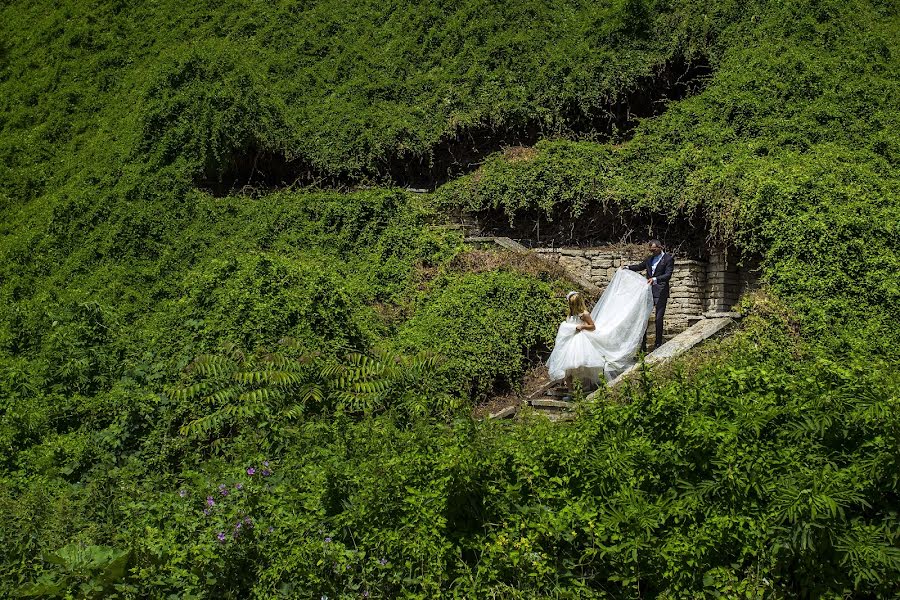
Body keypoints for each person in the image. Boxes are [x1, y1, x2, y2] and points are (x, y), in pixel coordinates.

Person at [546, 291, 607, 391]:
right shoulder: (570, 315)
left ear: (578, 303)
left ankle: (585, 388)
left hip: (580, 342)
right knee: (567, 367)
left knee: (582, 365)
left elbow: (593, 326)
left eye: (573, 304)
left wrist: (582, 326)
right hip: (569, 342)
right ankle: (571, 391)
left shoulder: (584, 314)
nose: (572, 306)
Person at [624, 240, 674, 351]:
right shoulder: (649, 259)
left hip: (660, 292)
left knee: (658, 318)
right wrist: (627, 267)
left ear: (660, 247)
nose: (652, 252)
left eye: (654, 249)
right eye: (650, 250)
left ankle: (658, 343)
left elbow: (668, 275)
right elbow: (640, 266)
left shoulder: (668, 259)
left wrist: (655, 279)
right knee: (644, 317)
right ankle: (643, 345)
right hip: (648, 292)